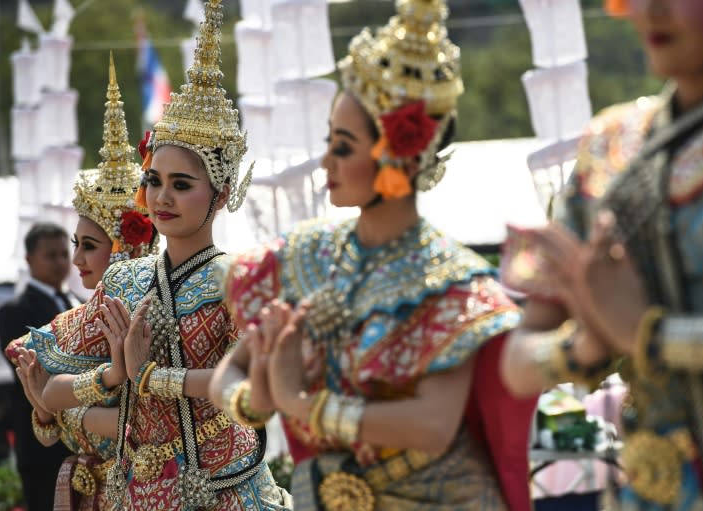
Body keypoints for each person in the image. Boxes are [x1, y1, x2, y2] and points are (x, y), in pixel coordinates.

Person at [209, 0, 538, 509]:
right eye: (329, 141)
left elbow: (432, 424)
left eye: (343, 146)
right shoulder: (303, 257)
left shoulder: (450, 283)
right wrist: (256, 398)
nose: (326, 161)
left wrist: (301, 402)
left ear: (394, 155)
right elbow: (230, 372)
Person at [500, 0, 703, 509]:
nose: (653, 9)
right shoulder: (608, 146)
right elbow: (516, 364)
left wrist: (650, 335)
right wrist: (586, 345)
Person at [30, 2, 291, 509]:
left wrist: (152, 377)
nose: (163, 197)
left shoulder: (240, 280)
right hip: (138, 490)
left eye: (181, 184)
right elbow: (46, 381)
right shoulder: (124, 280)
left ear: (220, 194)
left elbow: (255, 391)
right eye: (154, 181)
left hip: (224, 489)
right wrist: (112, 375)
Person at [5, 53, 156, 511]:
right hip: (89, 488)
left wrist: (62, 408)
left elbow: (148, 426)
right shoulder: (75, 319)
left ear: (127, 243)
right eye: (75, 243)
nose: (75, 259)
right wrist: (61, 410)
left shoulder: (160, 305)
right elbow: (49, 426)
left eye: (89, 245)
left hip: (147, 488)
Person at [0, 222, 76, 511]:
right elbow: (34, 368)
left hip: (85, 440)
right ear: (30, 259)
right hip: (42, 444)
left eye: (63, 254)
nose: (60, 262)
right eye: (50, 255)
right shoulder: (15, 311)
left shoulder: (79, 302)